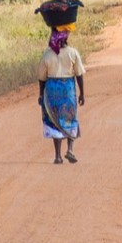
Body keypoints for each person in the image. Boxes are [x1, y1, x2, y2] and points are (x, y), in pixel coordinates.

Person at [37, 24, 86, 164]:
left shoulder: (47, 54)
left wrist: (41, 95)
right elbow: (79, 74)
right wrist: (82, 93)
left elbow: (42, 78)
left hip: (52, 91)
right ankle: (70, 149)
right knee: (70, 117)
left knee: (54, 120)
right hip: (68, 89)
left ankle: (58, 156)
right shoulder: (72, 53)